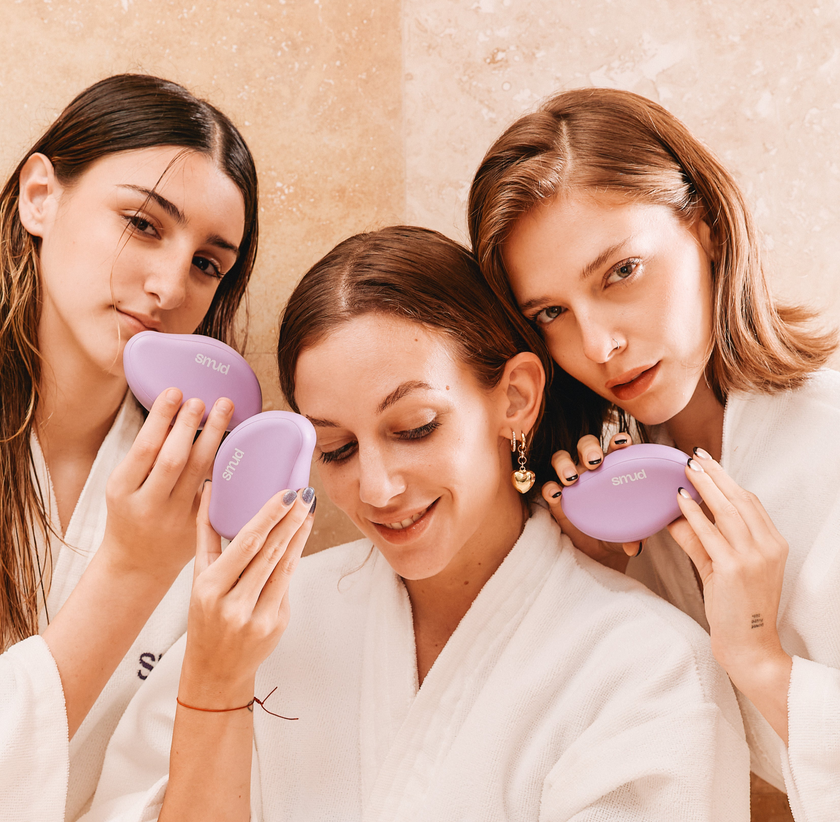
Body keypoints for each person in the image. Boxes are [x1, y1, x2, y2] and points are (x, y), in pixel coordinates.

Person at [80, 226, 748, 822]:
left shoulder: (647, 667)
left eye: (415, 428)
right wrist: (215, 686)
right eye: (337, 449)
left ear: (516, 398)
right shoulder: (248, 630)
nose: (376, 488)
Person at [467, 87, 840, 820]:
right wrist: (598, 583)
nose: (599, 344)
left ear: (705, 228)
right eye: (552, 313)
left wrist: (759, 655)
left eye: (621, 272)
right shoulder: (618, 484)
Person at [0, 73, 259, 821]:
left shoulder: (212, 492)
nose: (170, 285)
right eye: (144, 224)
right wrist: (132, 570)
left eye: (208, 264)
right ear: (40, 196)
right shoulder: (159, 533)